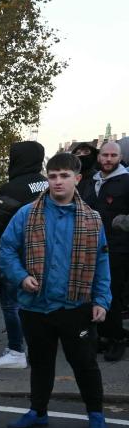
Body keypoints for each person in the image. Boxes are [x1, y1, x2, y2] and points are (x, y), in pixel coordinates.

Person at [0, 152, 111, 428]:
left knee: (84, 363)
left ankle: (95, 413)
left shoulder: (93, 219)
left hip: (76, 305)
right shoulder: (27, 213)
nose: (57, 181)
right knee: (41, 362)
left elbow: (101, 261)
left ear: (77, 178)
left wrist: (101, 300)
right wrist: (20, 276)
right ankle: (38, 411)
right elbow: (7, 249)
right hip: (36, 306)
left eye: (64, 176)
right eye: (52, 176)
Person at [0, 141, 48, 370]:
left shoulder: (12, 188)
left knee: (11, 304)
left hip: (16, 256)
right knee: (40, 304)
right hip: (46, 255)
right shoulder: (48, 183)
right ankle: (40, 348)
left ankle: (16, 350)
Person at [77, 141, 129, 361]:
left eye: (112, 156)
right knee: (94, 293)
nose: (108, 159)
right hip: (92, 247)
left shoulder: (126, 181)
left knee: (113, 294)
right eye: (105, 155)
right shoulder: (92, 182)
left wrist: (122, 222)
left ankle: (116, 339)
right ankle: (100, 336)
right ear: (99, 157)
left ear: (119, 157)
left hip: (118, 248)